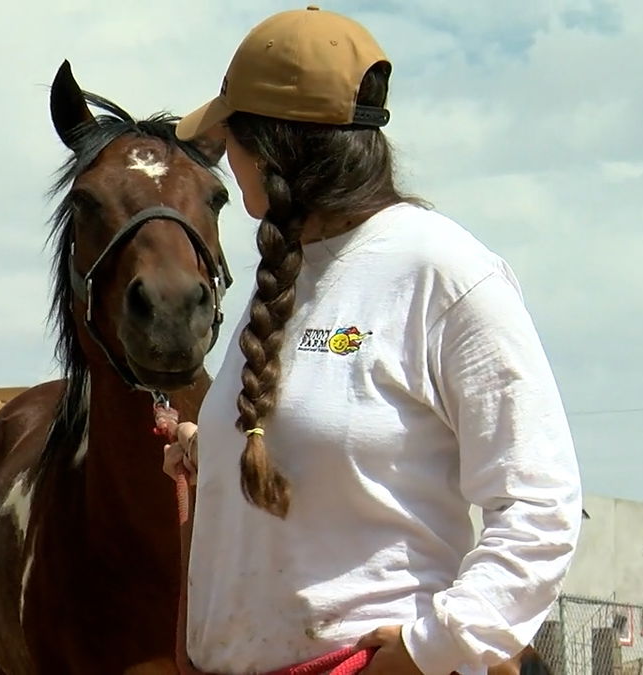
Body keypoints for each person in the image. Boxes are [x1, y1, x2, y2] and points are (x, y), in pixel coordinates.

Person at [163, 6, 583, 675]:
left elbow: (540, 507)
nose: (226, 161)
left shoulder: (445, 274)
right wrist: (210, 450)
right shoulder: (284, 279)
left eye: (229, 140)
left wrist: (428, 651)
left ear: (273, 148)